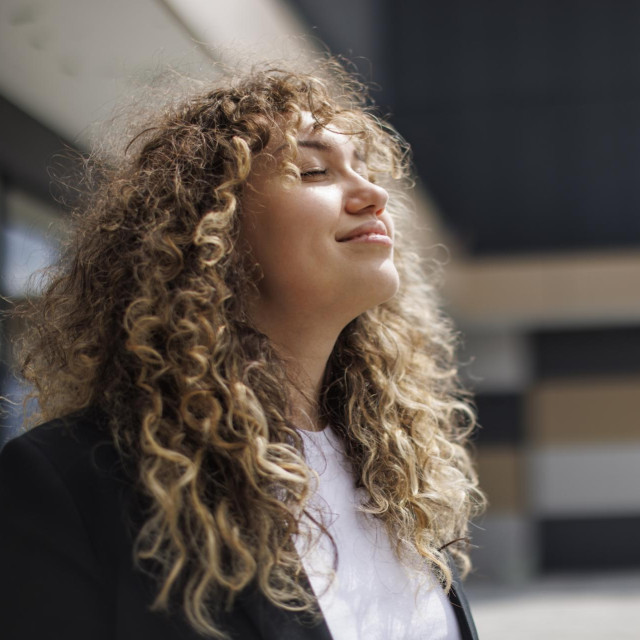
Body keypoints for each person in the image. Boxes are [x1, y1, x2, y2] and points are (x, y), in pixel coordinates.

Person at [0, 59, 484, 639]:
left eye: (365, 168)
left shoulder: (393, 474)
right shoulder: (74, 483)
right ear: (212, 228)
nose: (374, 193)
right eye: (312, 171)